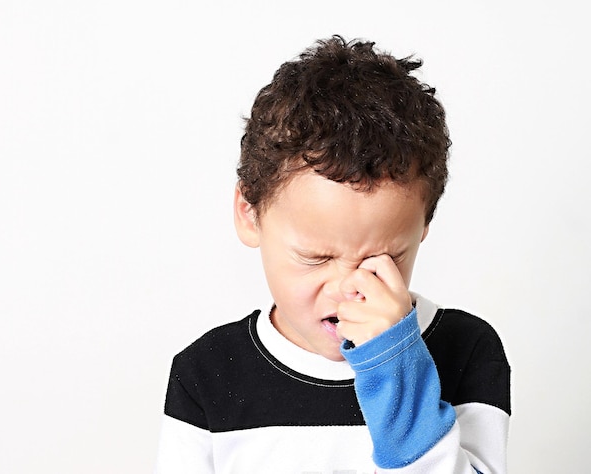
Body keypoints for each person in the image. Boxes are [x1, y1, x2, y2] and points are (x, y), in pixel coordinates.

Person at [155, 35, 511, 473]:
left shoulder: (466, 349)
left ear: (424, 226)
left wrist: (395, 368)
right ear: (250, 214)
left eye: (383, 259)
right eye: (316, 257)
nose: (349, 289)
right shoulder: (206, 373)